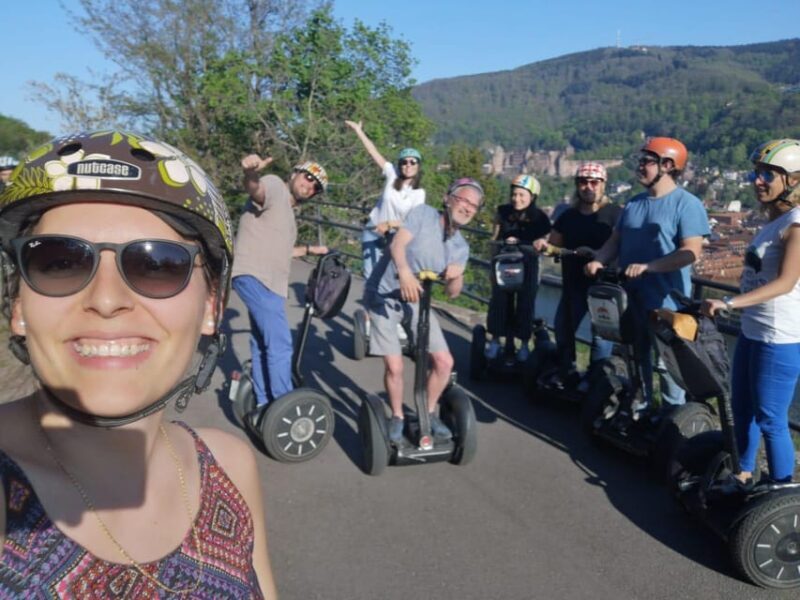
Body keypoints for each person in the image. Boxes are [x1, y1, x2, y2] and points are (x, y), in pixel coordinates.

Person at [0, 131, 276, 597]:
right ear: (19, 307)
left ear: (212, 305)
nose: (106, 299)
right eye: (59, 261)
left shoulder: (230, 468)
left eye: (157, 264)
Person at [585, 137, 710, 411]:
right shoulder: (633, 204)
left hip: (667, 303)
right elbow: (615, 242)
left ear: (667, 165)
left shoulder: (686, 204)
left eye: (647, 161)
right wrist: (599, 259)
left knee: (668, 367)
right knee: (634, 356)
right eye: (640, 161)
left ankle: (672, 423)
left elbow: (691, 252)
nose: (640, 167)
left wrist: (649, 266)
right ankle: (639, 411)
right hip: (630, 299)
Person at [702, 139, 800, 484]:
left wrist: (728, 302)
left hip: (779, 336)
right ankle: (743, 473)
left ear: (793, 180)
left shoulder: (797, 223)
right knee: (742, 410)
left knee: (771, 419)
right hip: (753, 330)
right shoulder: (775, 221)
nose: (758, 181)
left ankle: (781, 490)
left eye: (769, 175)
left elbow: (786, 283)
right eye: (757, 173)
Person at [365, 178, 483, 443]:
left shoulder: (460, 246)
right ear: (448, 198)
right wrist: (405, 273)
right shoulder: (423, 215)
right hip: (385, 294)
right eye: (463, 200)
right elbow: (397, 245)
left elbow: (453, 293)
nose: (466, 208)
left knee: (444, 362)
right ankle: (397, 415)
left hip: (418, 299)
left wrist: (455, 277)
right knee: (395, 366)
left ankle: (427, 414)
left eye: (473, 206)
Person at [233, 154, 329, 407]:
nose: (310, 185)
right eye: (308, 177)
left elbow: (283, 250)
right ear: (294, 174)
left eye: (315, 186)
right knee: (281, 345)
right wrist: (250, 173)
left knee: (262, 343)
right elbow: (256, 191)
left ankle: (265, 404)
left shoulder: (287, 214)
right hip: (257, 276)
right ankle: (284, 405)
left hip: (269, 284)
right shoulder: (275, 184)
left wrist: (309, 249)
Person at [534, 162, 621, 386]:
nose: (588, 187)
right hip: (573, 283)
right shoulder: (568, 216)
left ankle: (596, 380)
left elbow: (621, 247)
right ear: (577, 185)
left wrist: (597, 255)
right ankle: (567, 372)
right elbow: (555, 244)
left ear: (603, 185)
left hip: (604, 287)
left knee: (601, 338)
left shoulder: (615, 214)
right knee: (563, 329)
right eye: (583, 182)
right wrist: (544, 245)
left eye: (594, 182)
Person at [344, 120, 425, 279]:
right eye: (404, 162)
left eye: (412, 162)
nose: (408, 165)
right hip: (373, 230)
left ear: (418, 166)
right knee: (370, 274)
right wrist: (359, 131)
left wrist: (389, 224)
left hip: (394, 237)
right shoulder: (392, 174)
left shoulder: (419, 193)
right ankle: (371, 303)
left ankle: (380, 303)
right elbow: (373, 152)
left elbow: (414, 222)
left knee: (389, 277)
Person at [485, 174, 551, 362]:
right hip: (504, 262)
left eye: (522, 195)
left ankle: (523, 344)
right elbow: (494, 237)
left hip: (529, 264)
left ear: (532, 197)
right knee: (500, 300)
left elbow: (546, 241)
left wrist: (540, 243)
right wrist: (495, 251)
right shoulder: (503, 212)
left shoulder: (540, 218)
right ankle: (497, 340)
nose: (517, 199)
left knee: (526, 302)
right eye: (514, 194)